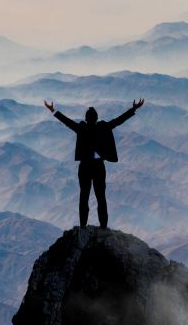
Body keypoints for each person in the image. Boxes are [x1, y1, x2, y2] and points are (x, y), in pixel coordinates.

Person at [43, 98, 145, 228]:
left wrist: (53, 110)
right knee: (100, 198)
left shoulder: (81, 128)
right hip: (98, 167)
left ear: (86, 118)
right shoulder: (103, 127)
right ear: (96, 118)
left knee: (84, 197)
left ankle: (83, 227)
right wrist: (133, 109)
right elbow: (119, 121)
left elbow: (67, 122)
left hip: (85, 167)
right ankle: (103, 227)